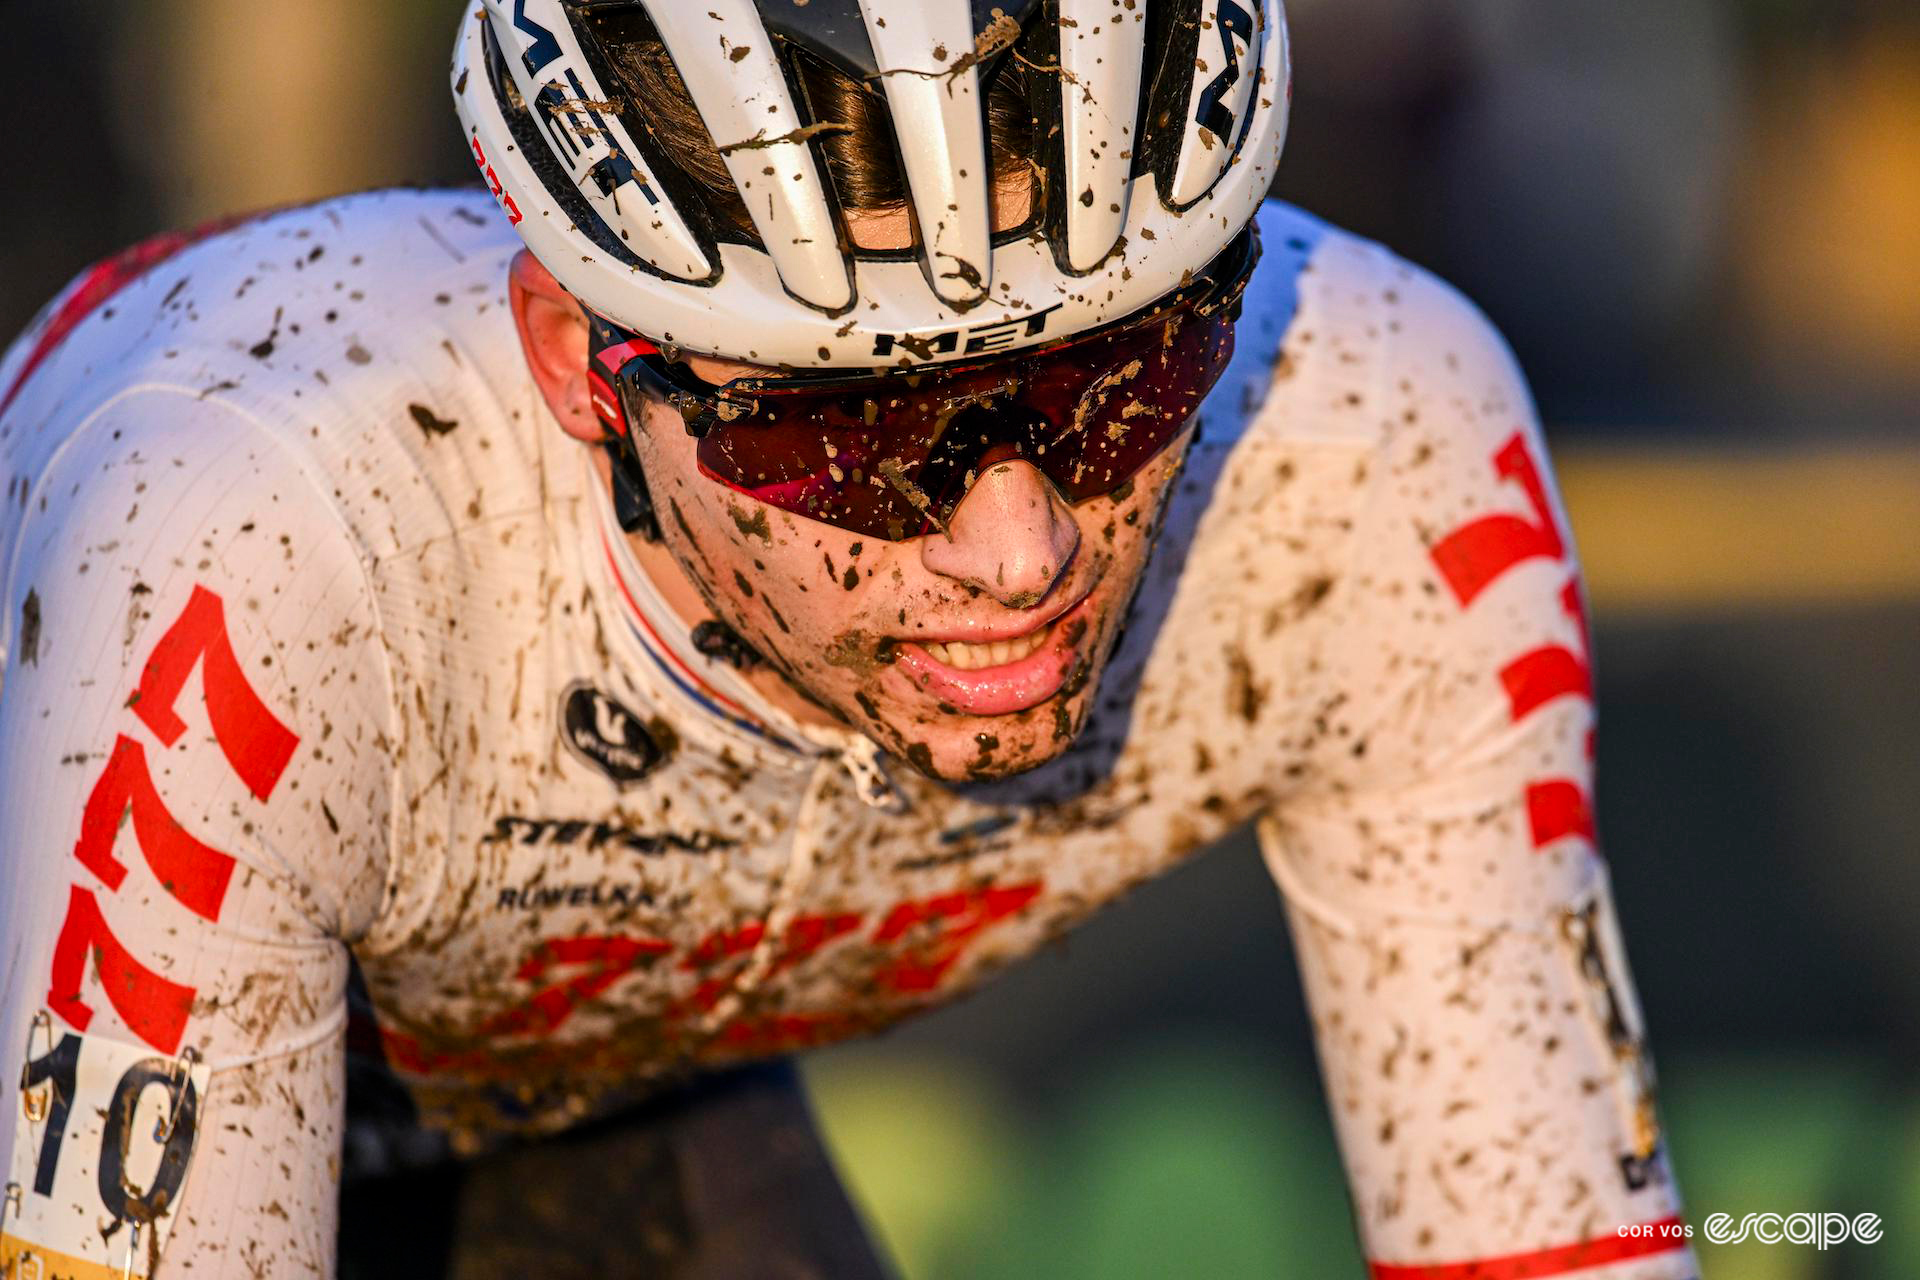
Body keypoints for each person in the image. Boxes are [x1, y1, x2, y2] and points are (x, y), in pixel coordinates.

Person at [0, 1, 1700, 1276]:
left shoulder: (1370, 441)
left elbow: (1546, 1231)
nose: (1022, 548)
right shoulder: (271, 545)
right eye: (854, 437)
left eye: (1128, 375)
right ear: (585, 365)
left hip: (574, 1091)